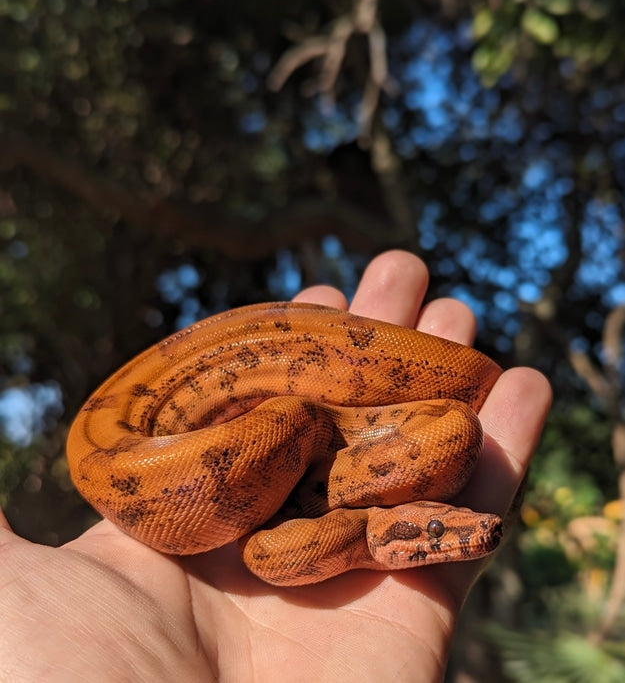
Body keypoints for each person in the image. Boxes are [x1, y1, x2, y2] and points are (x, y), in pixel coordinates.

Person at [0, 250, 551, 682]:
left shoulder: (309, 517)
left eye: (439, 527)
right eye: (434, 529)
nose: (465, 529)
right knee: (302, 415)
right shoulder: (316, 487)